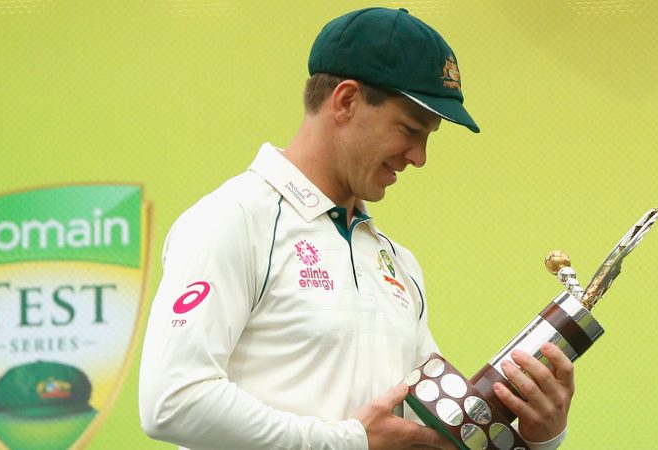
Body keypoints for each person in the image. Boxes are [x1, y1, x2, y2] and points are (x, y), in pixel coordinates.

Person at [139, 7, 573, 450]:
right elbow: (173, 401)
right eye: (409, 129)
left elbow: (427, 438)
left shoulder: (398, 263)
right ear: (345, 101)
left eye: (429, 137)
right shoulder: (232, 219)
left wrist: (538, 438)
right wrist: (349, 441)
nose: (419, 157)